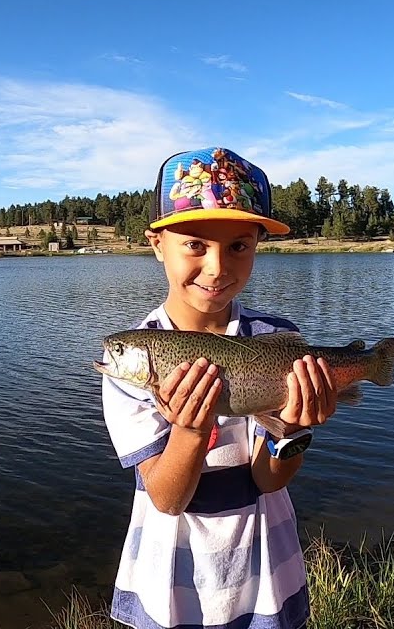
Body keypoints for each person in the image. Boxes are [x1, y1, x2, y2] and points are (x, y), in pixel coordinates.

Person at [100, 147, 340, 629]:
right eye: (194, 245)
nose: (216, 267)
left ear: (257, 246)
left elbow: (270, 480)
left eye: (238, 246)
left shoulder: (275, 339)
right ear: (156, 244)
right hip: (172, 576)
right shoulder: (129, 364)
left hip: (263, 564)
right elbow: (166, 499)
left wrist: (290, 428)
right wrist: (189, 432)